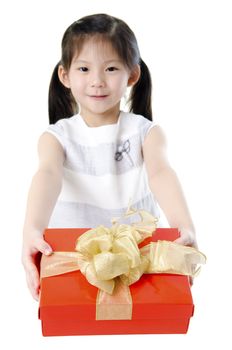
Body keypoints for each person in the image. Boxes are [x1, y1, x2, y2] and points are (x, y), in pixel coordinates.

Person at [22, 13, 197, 301]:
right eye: (84, 69)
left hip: (138, 262)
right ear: (65, 76)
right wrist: (32, 231)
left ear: (132, 74)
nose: (97, 81)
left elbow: (161, 173)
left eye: (111, 68)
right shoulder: (57, 137)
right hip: (72, 258)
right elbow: (47, 175)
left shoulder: (145, 132)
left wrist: (184, 227)